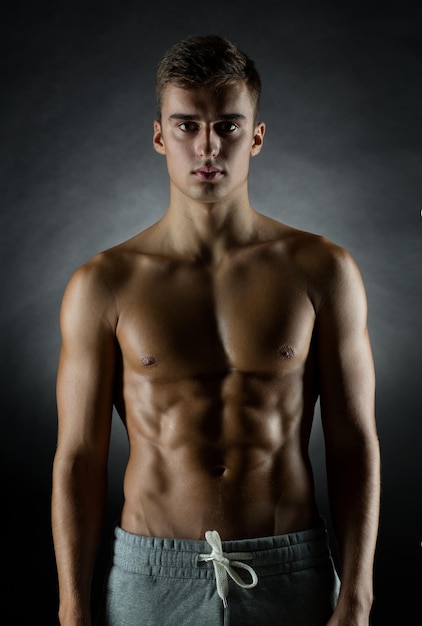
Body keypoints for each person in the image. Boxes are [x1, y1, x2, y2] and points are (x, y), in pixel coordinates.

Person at [51, 35, 380, 626]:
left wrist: (357, 597)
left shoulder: (322, 270)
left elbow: (354, 442)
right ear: (159, 136)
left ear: (255, 137)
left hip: (289, 569)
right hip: (153, 578)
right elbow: (78, 456)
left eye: (228, 126)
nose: (207, 146)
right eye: (186, 126)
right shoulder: (104, 284)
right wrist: (72, 607)